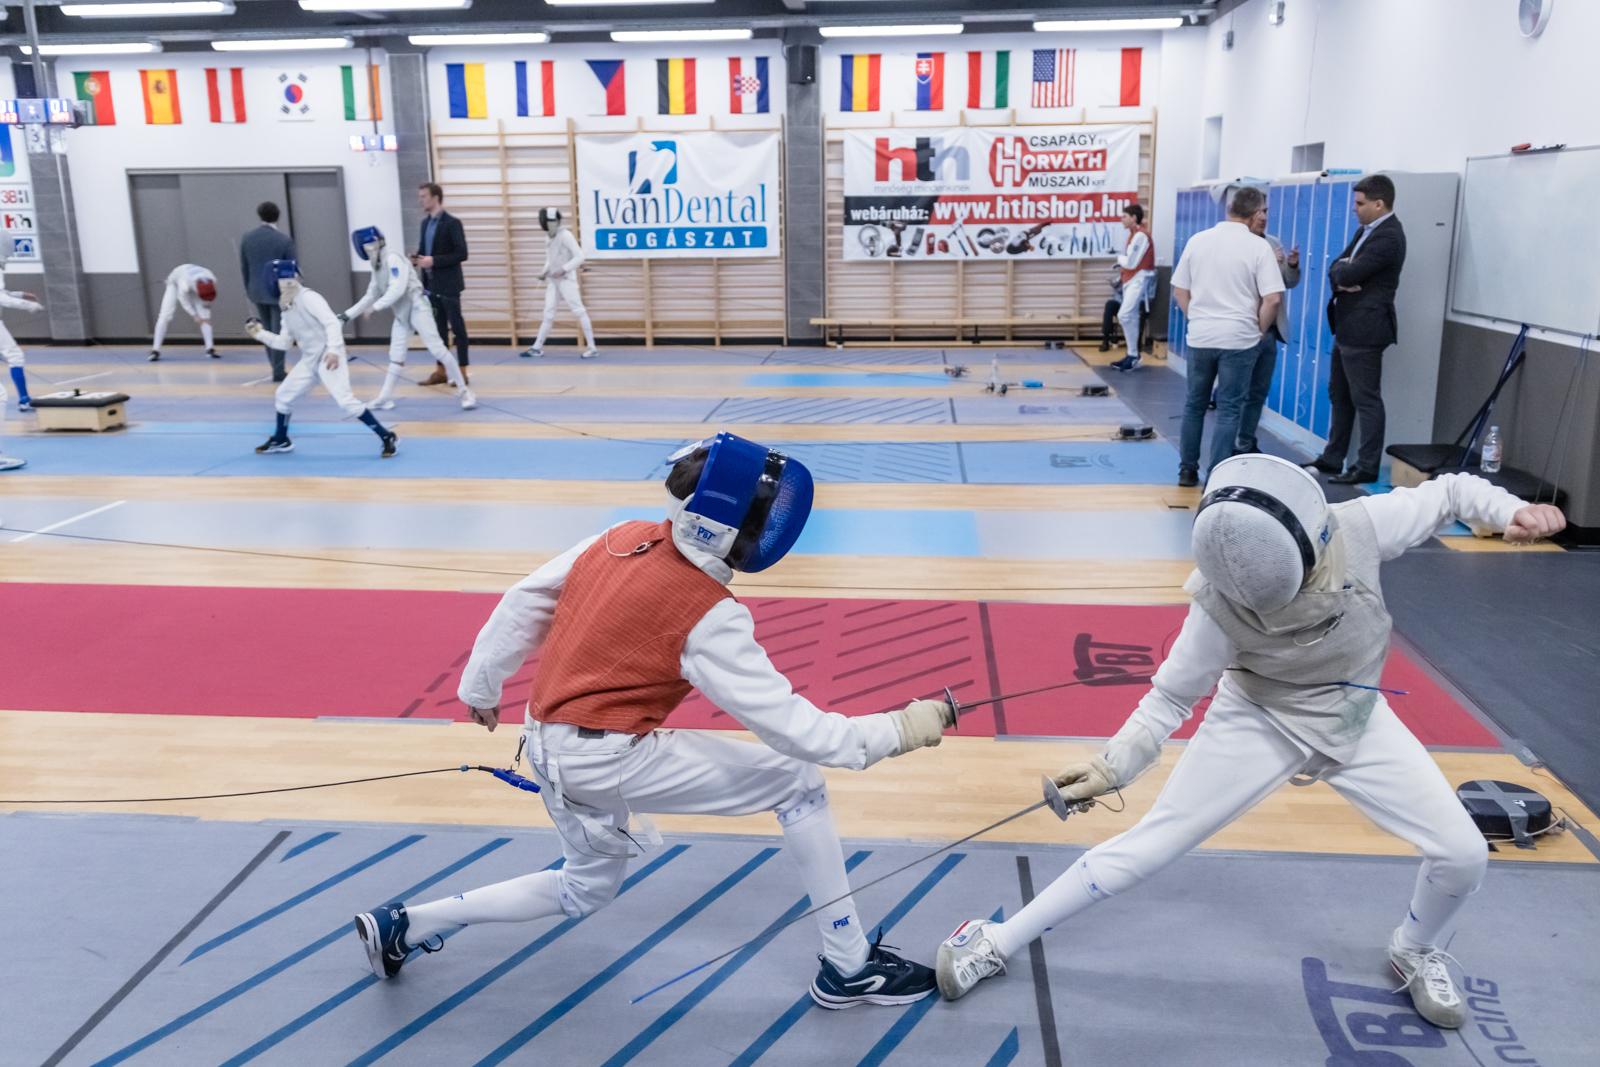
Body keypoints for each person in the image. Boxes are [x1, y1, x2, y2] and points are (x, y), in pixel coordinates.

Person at [934, 454, 1566, 1031]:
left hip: (1353, 714)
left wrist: (1508, 510)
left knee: (1463, 852)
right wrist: (1113, 766)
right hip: (1260, 715)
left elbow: (1451, 491)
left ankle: (1415, 948)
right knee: (1149, 847)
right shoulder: (1217, 607)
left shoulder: (1362, 527)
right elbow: (1169, 698)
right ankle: (994, 939)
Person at [353, 432, 954, 1009]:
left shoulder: (620, 538)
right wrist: (907, 728)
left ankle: (406, 924)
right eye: (758, 519)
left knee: (584, 888)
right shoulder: (707, 614)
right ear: (730, 531)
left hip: (545, 743)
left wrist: (480, 687)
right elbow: (808, 736)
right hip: (602, 759)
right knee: (798, 782)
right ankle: (849, 967)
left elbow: (525, 599)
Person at [1170, 186, 1284, 488]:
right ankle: (1216, 477)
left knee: (1194, 404)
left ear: (1230, 209)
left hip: (1201, 336)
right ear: (1255, 212)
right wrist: (1258, 330)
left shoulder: (1198, 240)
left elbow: (1180, 291)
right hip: (1239, 338)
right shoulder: (1259, 247)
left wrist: (1196, 317)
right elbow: (1273, 299)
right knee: (1229, 409)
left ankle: (1187, 470)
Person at [1306, 174, 1406, 485]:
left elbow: (1349, 273)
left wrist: (1344, 273)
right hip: (1347, 327)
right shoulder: (1366, 230)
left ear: (1379, 204)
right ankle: (1333, 457)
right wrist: (1343, 272)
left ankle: (1366, 465)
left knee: (1366, 399)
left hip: (1366, 329)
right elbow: (1337, 267)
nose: (1354, 209)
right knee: (1339, 394)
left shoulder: (1389, 237)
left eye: (1360, 204)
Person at [247, 259, 397, 459]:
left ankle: (386, 436)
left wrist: (334, 350)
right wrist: (260, 334)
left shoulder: (309, 297)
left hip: (329, 357)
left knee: (345, 401)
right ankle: (281, 438)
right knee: (283, 396)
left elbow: (331, 322)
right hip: (310, 360)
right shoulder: (286, 306)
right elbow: (284, 343)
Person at [340, 226, 476, 411]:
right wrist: (346, 316)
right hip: (402, 314)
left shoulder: (393, 259)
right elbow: (370, 295)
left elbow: (397, 288)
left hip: (418, 308)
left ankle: (465, 392)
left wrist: (376, 307)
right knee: (396, 357)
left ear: (370, 246)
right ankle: (384, 398)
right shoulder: (377, 266)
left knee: (437, 349)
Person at [1234, 190, 1301, 455]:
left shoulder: (1272, 242)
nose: (1264, 216)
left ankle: (1246, 441)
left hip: (1269, 331)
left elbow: (1286, 283)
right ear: (1247, 213)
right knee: (1237, 391)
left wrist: (1291, 266)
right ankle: (1232, 443)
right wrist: (1267, 264)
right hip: (1245, 327)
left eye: (1266, 211)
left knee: (1258, 392)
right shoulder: (1238, 244)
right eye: (1260, 211)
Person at [520, 208, 599, 360]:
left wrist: (563, 269)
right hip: (553, 281)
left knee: (579, 311)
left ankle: (592, 348)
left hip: (567, 280)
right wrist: (544, 272)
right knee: (548, 313)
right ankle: (536, 348)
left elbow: (580, 256)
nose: (552, 224)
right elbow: (550, 259)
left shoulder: (566, 235)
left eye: (554, 221)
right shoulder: (548, 237)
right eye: (550, 222)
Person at [414, 182, 470, 385]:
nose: (421, 200)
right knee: (437, 331)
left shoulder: (452, 223)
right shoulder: (425, 224)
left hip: (449, 285)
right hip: (431, 285)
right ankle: (441, 370)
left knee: (457, 329)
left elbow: (461, 253)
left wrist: (434, 261)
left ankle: (462, 371)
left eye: (424, 196)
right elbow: (424, 250)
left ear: (435, 197)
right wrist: (416, 259)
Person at [239, 202, 297, 383]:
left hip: (256, 290)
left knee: (265, 330)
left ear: (260, 215)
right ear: (278, 216)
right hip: (278, 292)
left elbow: (244, 267)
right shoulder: (284, 240)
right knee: (278, 332)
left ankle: (275, 367)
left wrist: (249, 289)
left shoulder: (247, 238)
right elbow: (291, 270)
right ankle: (278, 371)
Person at [1108, 204, 1155, 372]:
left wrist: (1119, 258)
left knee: (1124, 314)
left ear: (1134, 218)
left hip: (1138, 279)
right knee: (1132, 317)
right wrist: (1121, 262)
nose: (1122, 219)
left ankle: (1134, 355)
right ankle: (1132, 355)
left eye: (1125, 216)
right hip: (1131, 279)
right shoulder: (1133, 234)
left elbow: (1130, 262)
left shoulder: (1141, 236)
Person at [149, 263, 219, 362]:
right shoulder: (184, 284)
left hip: (191, 280)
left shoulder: (212, 278)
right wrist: (194, 315)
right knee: (165, 315)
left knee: (205, 317)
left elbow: (208, 299)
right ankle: (155, 350)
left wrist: (205, 313)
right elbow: (183, 300)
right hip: (175, 282)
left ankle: (210, 349)